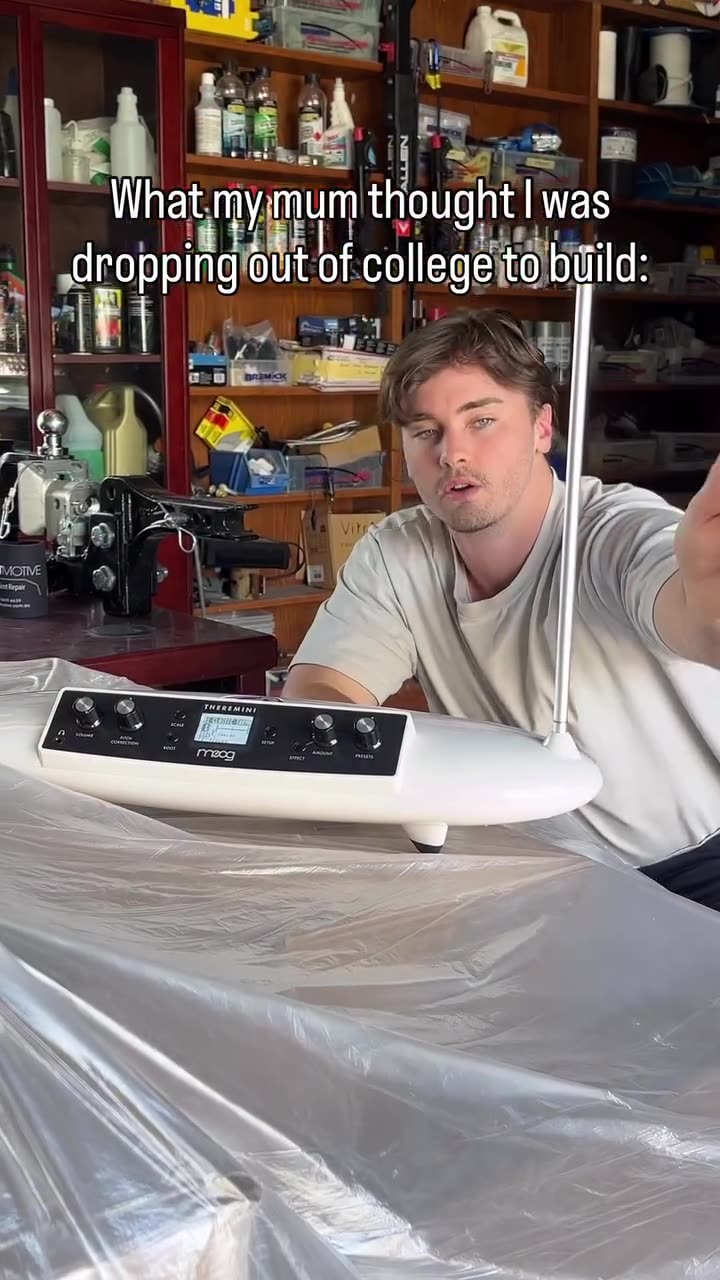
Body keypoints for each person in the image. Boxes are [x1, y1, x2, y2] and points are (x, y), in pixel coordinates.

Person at [282, 308, 720, 908]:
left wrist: (708, 595)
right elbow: (318, 694)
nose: (452, 454)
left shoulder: (613, 530)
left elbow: (695, 620)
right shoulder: (396, 552)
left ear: (542, 427)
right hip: (525, 870)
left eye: (481, 420)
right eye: (426, 432)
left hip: (693, 867)